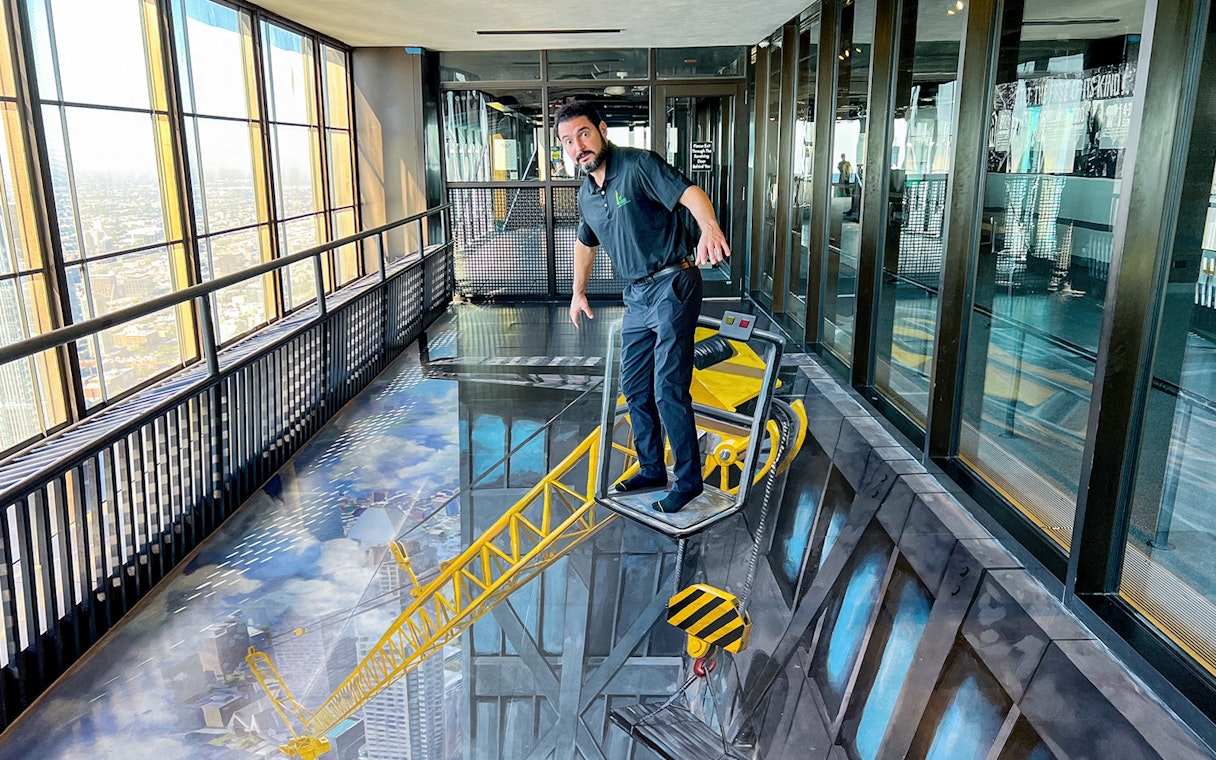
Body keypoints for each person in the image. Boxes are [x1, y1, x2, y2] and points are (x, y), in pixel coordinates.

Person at [556, 101, 730, 514]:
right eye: (567, 141)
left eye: (583, 134)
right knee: (634, 387)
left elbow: (689, 192)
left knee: (668, 388)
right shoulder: (586, 194)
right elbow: (585, 243)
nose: (577, 146)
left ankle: (688, 481)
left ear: (601, 130)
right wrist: (577, 292)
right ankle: (652, 466)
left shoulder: (638, 165)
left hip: (673, 281)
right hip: (635, 295)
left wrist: (709, 226)